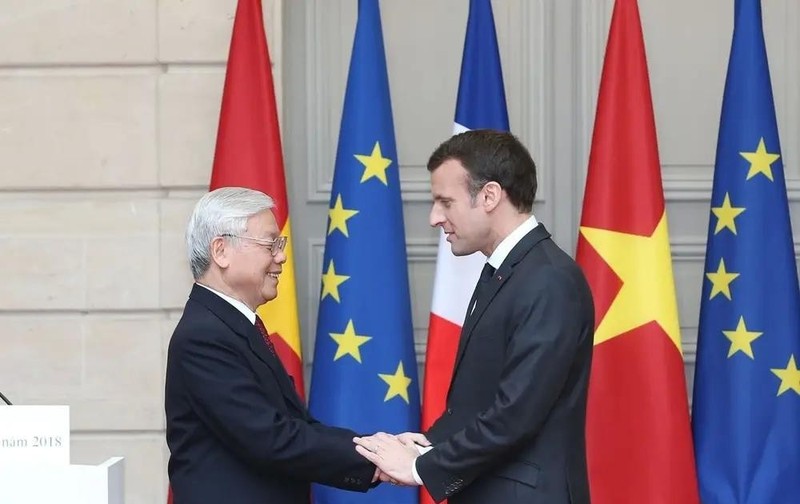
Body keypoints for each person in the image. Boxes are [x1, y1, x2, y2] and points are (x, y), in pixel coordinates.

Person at [354, 130, 595, 503]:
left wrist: (419, 467)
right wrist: (424, 445)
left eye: (445, 202)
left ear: (489, 196)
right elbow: (479, 399)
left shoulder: (549, 280)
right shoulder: (506, 271)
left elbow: (517, 413)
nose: (435, 218)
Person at [165, 187, 377, 504]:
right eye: (270, 244)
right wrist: (377, 458)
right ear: (221, 251)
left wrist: (372, 448)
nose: (281, 256)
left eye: (280, 245)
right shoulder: (204, 336)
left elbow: (293, 425)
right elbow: (271, 438)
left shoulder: (232, 326)